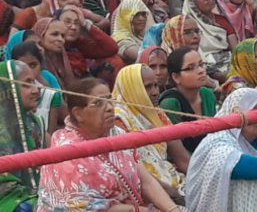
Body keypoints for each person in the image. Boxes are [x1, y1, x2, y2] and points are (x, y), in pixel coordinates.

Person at [37, 77, 184, 211]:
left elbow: (147, 182)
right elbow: (84, 208)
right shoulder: (67, 151)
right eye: (99, 103)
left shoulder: (117, 134)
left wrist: (172, 209)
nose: (109, 108)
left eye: (110, 100)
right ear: (78, 114)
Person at [113, 64, 189, 203]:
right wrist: (174, 196)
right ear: (131, 89)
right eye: (147, 87)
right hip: (148, 193)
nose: (155, 92)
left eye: (156, 85)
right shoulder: (118, 120)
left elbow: (182, 158)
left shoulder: (156, 112)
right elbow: (134, 173)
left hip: (173, 182)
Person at [0, 60, 42, 212]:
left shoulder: (32, 121)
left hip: (35, 191)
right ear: (8, 89)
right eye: (27, 84)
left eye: (34, 82)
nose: (36, 89)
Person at [159, 46, 216, 152]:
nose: (200, 71)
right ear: (176, 77)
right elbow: (177, 149)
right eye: (190, 68)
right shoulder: (170, 103)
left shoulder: (207, 94)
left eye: (201, 64)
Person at [183, 0, 236, 82]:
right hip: (203, 71)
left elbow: (235, 49)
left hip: (229, 66)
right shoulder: (186, 24)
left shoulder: (222, 20)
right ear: (192, 0)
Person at [10, 40, 64, 134]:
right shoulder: (7, 92)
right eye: (23, 66)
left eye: (33, 65)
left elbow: (50, 134)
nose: (28, 70)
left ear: (40, 65)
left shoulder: (50, 95)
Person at [111, 0, 156, 64]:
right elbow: (144, 56)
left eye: (143, 14)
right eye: (136, 15)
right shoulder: (120, 38)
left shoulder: (142, 35)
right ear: (125, 17)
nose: (141, 19)